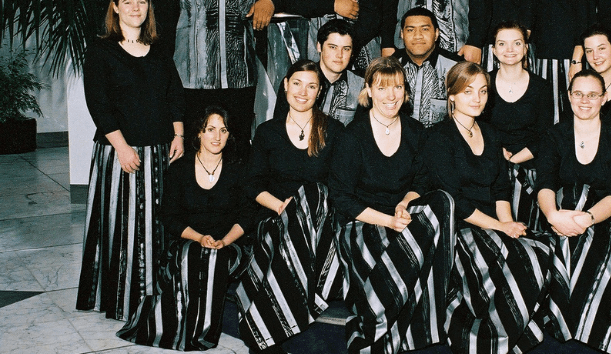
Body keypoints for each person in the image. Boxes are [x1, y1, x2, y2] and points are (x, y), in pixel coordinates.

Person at [424, 62, 553, 354]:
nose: (477, 98)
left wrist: (509, 226)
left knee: (539, 251)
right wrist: (500, 227)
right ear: (452, 96)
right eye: (468, 91)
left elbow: (500, 189)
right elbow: (454, 199)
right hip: (460, 228)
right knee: (522, 261)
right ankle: (488, 342)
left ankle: (499, 333)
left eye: (483, 91)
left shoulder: (492, 135)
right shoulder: (438, 138)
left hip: (493, 224)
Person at [329, 57, 454, 354]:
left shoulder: (415, 131)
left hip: (403, 218)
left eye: (398, 87)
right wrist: (387, 221)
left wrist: (404, 203)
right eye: (383, 87)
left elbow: (422, 181)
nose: (391, 95)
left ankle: (388, 322)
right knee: (393, 251)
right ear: (369, 90)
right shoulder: (351, 136)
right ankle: (371, 329)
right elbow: (342, 197)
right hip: (362, 223)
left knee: (441, 201)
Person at [77, 0, 185, 321]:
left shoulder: (159, 50)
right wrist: (122, 148)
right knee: (120, 226)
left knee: (156, 226)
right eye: (128, 2)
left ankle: (154, 297)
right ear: (115, 7)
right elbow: (99, 104)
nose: (136, 8)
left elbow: (174, 95)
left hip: (158, 152)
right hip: (119, 153)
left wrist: (178, 135)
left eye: (141, 2)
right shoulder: (101, 51)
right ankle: (119, 299)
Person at [118, 107, 252, 350]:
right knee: (194, 254)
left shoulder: (239, 169)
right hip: (187, 242)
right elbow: (169, 217)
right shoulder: (179, 170)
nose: (217, 137)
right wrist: (199, 237)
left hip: (230, 246)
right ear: (199, 133)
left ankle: (203, 334)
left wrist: (224, 241)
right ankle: (183, 330)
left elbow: (246, 216)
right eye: (210, 129)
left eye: (223, 130)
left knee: (215, 256)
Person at [236, 60, 345, 352]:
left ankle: (263, 328)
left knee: (311, 191)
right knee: (288, 221)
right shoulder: (267, 132)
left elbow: (340, 186)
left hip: (320, 226)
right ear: (285, 85)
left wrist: (305, 207)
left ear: (319, 92)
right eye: (296, 83)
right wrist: (285, 208)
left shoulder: (334, 130)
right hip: (275, 218)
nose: (302, 91)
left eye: (311, 86)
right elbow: (252, 184)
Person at [157, 0, 277, 161]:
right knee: (190, 153)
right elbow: (163, 26)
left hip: (239, 82)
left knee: (237, 152)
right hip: (190, 81)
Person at [536, 69, 611, 354]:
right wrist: (553, 216)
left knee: (592, 245)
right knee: (561, 244)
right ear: (569, 96)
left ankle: (592, 334)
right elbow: (544, 185)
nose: (585, 100)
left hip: (606, 219)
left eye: (592, 94)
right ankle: (576, 330)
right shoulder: (553, 135)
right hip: (558, 216)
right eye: (578, 93)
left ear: (604, 98)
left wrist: (588, 218)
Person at [481, 21, 553, 230]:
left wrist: (517, 158)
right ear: (493, 50)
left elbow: (545, 133)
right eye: (502, 44)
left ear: (526, 48)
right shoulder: (483, 83)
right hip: (492, 160)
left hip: (531, 162)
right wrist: (499, 154)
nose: (510, 50)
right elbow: (479, 128)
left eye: (517, 43)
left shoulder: (542, 86)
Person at [273, 20, 364, 125]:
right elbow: (279, 126)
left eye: (346, 49)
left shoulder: (360, 85)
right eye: (333, 47)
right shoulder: (296, 80)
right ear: (319, 47)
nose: (339, 55)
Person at [393, 7, 461, 127]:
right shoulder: (389, 66)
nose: (417, 36)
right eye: (410, 30)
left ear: (436, 34)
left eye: (425, 29)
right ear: (402, 35)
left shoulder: (456, 67)